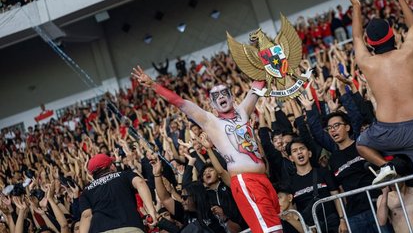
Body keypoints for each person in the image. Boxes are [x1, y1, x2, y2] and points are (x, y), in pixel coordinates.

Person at [347, 0, 413, 232]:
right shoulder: (407, 52)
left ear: (370, 43)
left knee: (362, 144)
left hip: (386, 133)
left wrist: (356, 7)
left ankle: (386, 166)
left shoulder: (367, 62)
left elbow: (355, 36)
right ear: (393, 35)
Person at [132, 66, 283, 233]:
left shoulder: (243, 111)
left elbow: (258, 85)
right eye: (215, 96)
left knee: (275, 225)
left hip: (263, 178)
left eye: (224, 93)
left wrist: (269, 57)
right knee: (271, 230)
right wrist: (153, 85)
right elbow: (180, 103)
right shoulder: (210, 121)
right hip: (245, 181)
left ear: (232, 97)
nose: (221, 97)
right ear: (211, 104)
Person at [79, 153, 158, 232]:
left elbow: (86, 216)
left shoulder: (86, 191)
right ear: (111, 166)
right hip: (129, 227)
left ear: (92, 174)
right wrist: (151, 211)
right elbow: (140, 182)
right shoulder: (125, 175)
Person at [286, 138, 347, 233]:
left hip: (332, 224)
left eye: (302, 148)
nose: (299, 152)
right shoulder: (290, 182)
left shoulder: (323, 172)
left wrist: (342, 219)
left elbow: (336, 196)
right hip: (311, 228)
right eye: (294, 151)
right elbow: (293, 210)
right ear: (291, 158)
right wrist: (304, 226)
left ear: (309, 153)